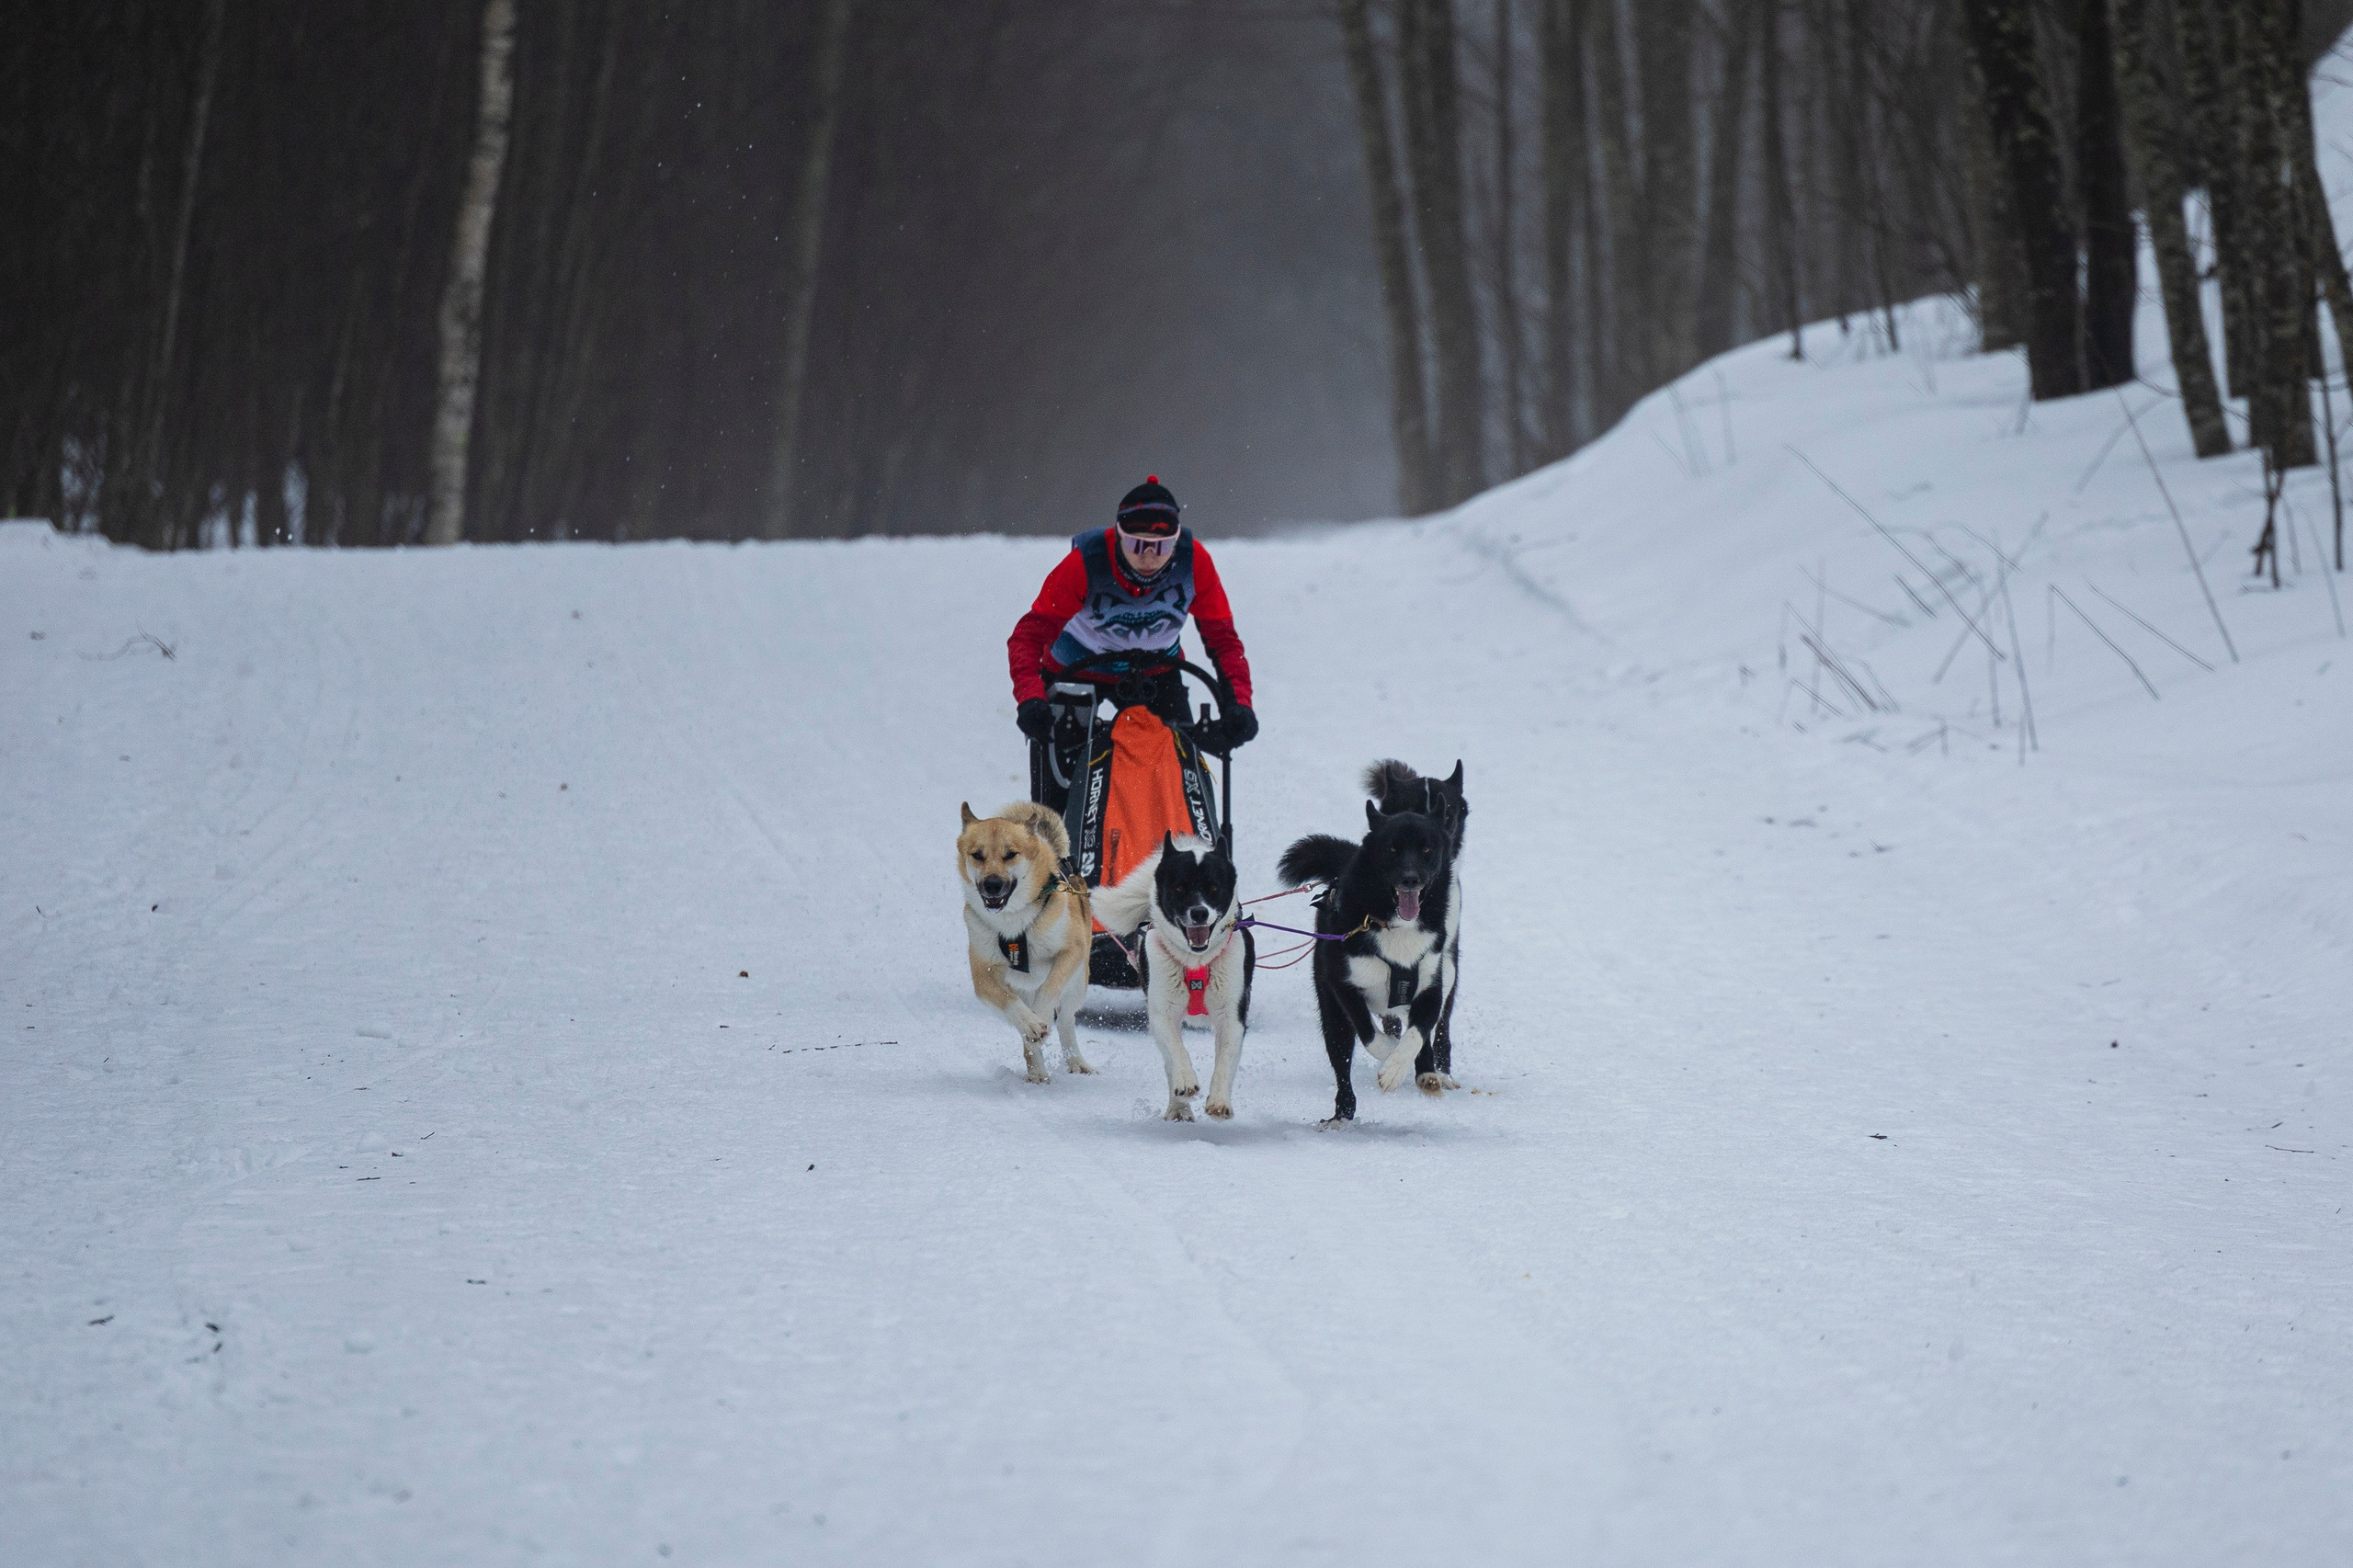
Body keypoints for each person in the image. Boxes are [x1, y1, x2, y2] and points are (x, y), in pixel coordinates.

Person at [1006, 476, 1257, 753]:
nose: (1148, 559)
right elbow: (1028, 636)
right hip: (1076, 669)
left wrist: (1240, 704)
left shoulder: (1195, 562)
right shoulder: (1084, 564)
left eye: (1161, 547)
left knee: (1179, 763)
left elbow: (1224, 641)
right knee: (1062, 770)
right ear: (1118, 537)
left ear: (1176, 542)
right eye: (1137, 545)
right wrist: (1030, 697)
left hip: (1157, 670)